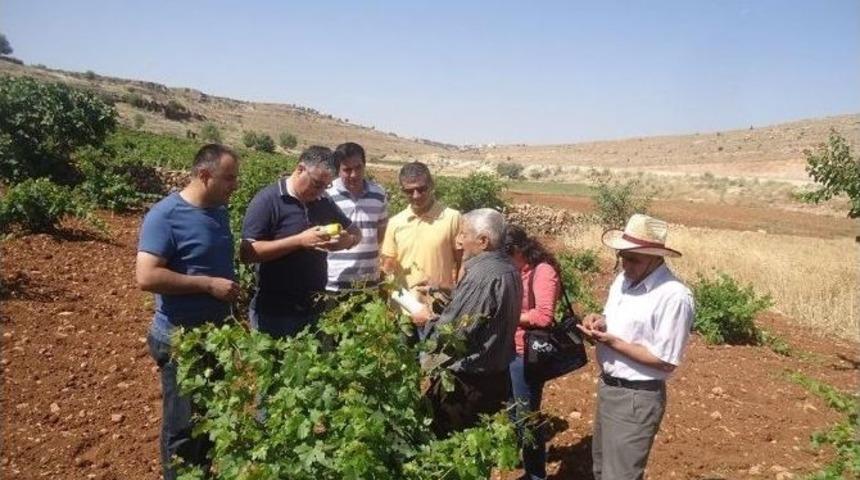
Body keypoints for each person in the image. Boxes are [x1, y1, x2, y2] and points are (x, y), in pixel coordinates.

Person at [136, 144, 240, 480]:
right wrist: (208, 284)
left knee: (210, 421)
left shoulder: (218, 209)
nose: (235, 185)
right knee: (181, 427)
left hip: (216, 335)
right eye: (229, 178)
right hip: (181, 339)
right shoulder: (165, 216)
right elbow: (147, 276)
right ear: (205, 176)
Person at [577, 213, 695, 480]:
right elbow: (617, 322)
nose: (625, 264)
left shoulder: (673, 296)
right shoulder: (623, 281)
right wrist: (599, 322)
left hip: (636, 398)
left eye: (634, 259)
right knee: (601, 468)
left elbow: (666, 360)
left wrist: (614, 342)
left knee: (620, 475)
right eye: (622, 256)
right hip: (609, 388)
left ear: (656, 257)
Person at [413, 208, 522, 438]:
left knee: (444, 446)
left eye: (463, 234)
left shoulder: (481, 276)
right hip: (495, 378)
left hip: (468, 385)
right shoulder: (508, 268)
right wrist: (441, 289)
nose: (458, 240)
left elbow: (456, 334)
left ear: (483, 241)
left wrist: (427, 322)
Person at [240, 146, 362, 338]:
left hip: (313, 310)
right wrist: (299, 241)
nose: (321, 190)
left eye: (326, 186)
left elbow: (355, 232)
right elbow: (248, 253)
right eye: (316, 184)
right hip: (275, 313)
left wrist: (345, 242)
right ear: (299, 169)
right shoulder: (268, 200)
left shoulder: (323, 200)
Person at [503, 225, 561, 480]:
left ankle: (536, 474)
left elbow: (544, 316)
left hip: (525, 354)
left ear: (516, 250)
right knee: (513, 413)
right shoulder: (514, 270)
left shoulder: (543, 271)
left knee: (526, 418)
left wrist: (507, 316)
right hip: (507, 351)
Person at [381, 161, 461, 291]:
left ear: (431, 185)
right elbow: (388, 263)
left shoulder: (452, 218)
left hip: (440, 304)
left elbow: (462, 262)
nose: (416, 195)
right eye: (409, 191)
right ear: (402, 191)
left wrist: (457, 294)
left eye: (421, 189)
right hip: (404, 306)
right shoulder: (395, 222)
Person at [325, 142, 388, 292]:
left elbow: (380, 234)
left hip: (369, 281)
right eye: (347, 170)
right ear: (338, 171)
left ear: (364, 165)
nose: (354, 174)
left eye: (358, 167)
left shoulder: (379, 194)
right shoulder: (327, 195)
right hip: (335, 283)